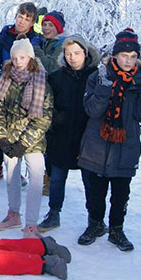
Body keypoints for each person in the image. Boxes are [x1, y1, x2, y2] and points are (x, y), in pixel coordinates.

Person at [77, 28, 141, 252]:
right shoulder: (98, 77)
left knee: (121, 194)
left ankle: (116, 229)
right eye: (124, 55)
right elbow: (92, 110)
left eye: (133, 56)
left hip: (126, 146)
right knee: (96, 192)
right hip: (97, 145)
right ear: (115, 55)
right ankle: (95, 225)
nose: (129, 61)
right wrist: (104, 88)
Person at [0, 39, 53, 238]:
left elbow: (44, 118)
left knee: (36, 179)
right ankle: (13, 214)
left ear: (30, 58)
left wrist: (24, 143)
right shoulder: (6, 79)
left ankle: (32, 223)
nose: (18, 62)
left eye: (23, 57)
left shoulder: (41, 81)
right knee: (12, 177)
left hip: (33, 141)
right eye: (15, 57)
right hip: (9, 138)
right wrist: (1, 136)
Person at [38, 35, 100, 232]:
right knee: (57, 178)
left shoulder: (96, 77)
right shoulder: (56, 77)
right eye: (68, 53)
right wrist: (54, 122)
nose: (72, 57)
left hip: (87, 138)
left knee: (90, 182)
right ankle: (53, 214)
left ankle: (94, 219)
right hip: (61, 136)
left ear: (85, 54)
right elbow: (47, 105)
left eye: (76, 53)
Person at [0, 2, 41, 183]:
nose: (21, 21)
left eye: (27, 19)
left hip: (22, 85)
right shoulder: (5, 33)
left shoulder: (34, 39)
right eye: (20, 17)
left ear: (32, 22)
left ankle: (16, 168)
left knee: (17, 126)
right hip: (2, 81)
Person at [33, 11, 67, 75]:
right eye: (44, 24)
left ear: (58, 28)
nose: (46, 28)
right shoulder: (45, 41)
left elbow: (51, 68)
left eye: (51, 25)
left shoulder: (62, 45)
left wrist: (35, 48)